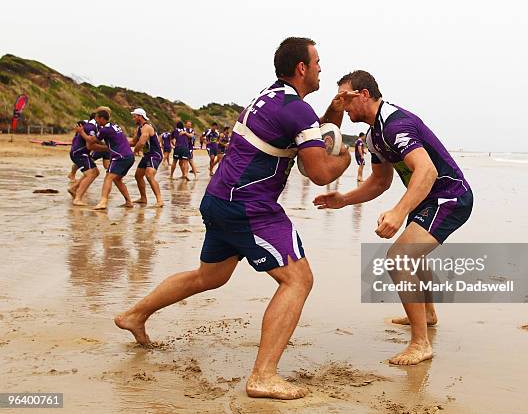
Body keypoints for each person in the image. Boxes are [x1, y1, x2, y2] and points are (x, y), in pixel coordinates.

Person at [114, 37, 354, 400]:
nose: (322, 67)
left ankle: (134, 315)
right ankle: (263, 376)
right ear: (301, 68)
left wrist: (333, 113)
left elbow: (311, 132)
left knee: (210, 276)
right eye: (318, 62)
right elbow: (318, 171)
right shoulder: (296, 110)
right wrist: (346, 160)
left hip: (219, 199)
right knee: (298, 280)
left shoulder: (273, 97)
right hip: (249, 205)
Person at [314, 70, 473, 366]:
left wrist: (399, 212)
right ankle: (426, 313)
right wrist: (344, 199)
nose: (342, 106)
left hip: (450, 197)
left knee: (398, 257)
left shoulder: (396, 124)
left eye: (346, 98)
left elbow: (427, 171)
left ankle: (420, 343)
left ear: (363, 94)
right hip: (427, 198)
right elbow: (379, 182)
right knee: (412, 256)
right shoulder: (374, 136)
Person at [86, 109, 135, 210]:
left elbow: (92, 140)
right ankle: (129, 202)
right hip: (129, 156)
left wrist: (81, 132)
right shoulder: (114, 126)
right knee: (117, 179)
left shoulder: (105, 130)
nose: (96, 122)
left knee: (108, 178)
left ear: (102, 119)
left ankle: (103, 202)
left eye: (97, 119)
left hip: (120, 157)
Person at [130, 108, 164, 207]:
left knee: (149, 175)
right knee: (138, 176)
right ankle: (143, 198)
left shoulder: (146, 127)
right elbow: (133, 142)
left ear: (140, 116)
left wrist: (134, 152)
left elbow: (141, 142)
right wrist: (119, 143)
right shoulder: (139, 128)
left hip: (155, 155)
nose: (133, 118)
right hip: (147, 155)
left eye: (135, 116)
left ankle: (159, 200)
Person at [68, 119, 99, 205]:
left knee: (95, 172)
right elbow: (90, 144)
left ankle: (73, 188)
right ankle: (77, 198)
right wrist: (107, 148)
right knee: (90, 174)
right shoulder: (91, 127)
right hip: (80, 154)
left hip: (81, 153)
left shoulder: (91, 126)